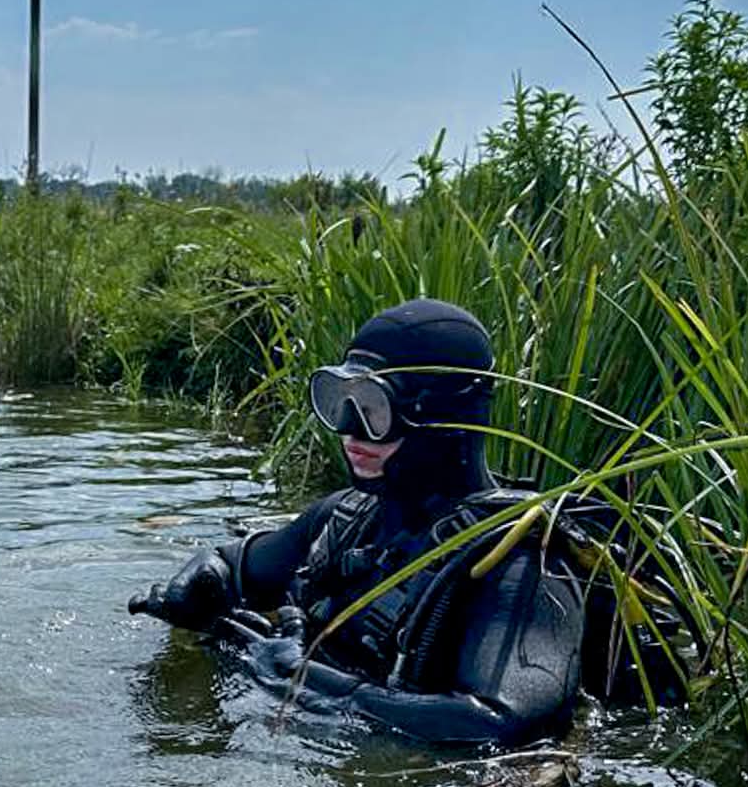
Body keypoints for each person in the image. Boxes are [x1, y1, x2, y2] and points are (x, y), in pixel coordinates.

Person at [128, 299, 586, 748]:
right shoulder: (344, 517)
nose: (350, 430)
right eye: (340, 399)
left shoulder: (522, 562)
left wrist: (302, 681)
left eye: (374, 407)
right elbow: (235, 564)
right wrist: (203, 581)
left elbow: (501, 726)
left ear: (446, 416)